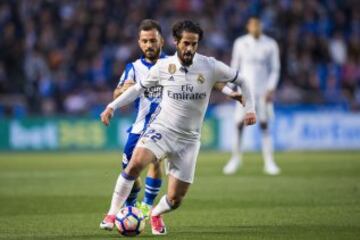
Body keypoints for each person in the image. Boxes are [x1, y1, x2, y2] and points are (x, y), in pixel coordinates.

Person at [100, 20, 256, 235]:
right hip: (162, 129)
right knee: (136, 163)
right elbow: (137, 88)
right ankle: (111, 214)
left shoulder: (210, 65)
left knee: (175, 199)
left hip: (189, 140)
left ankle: (155, 213)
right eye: (186, 43)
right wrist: (111, 106)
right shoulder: (163, 67)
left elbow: (242, 80)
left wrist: (250, 107)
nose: (190, 48)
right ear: (176, 42)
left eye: (194, 44)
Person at [223, 16, 281, 176]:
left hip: (263, 92)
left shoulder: (270, 44)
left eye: (258, 25)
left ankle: (269, 162)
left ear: (261, 26)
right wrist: (230, 88)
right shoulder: (240, 43)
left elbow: (275, 69)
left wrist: (271, 88)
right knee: (238, 124)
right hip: (244, 92)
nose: (256, 27)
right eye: (253, 25)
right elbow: (234, 67)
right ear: (248, 27)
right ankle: (235, 159)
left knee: (264, 124)